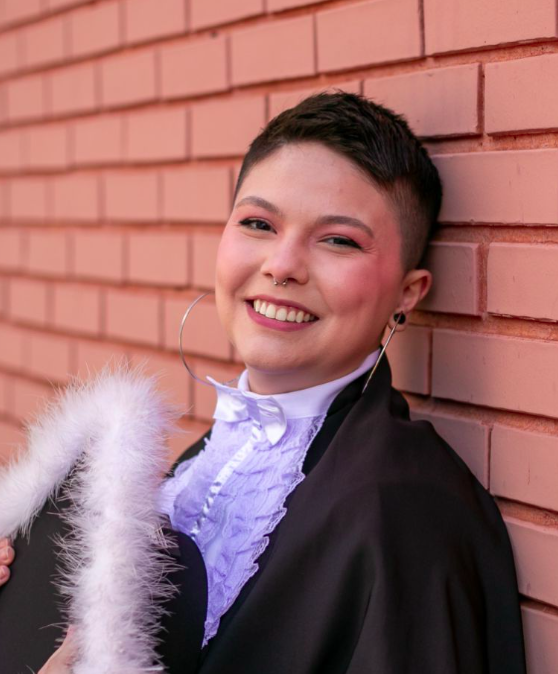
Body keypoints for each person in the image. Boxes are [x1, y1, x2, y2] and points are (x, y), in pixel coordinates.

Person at [2, 91, 527, 673]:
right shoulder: (208, 461)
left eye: (338, 240)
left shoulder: (407, 511)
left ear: (408, 292)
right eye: (258, 223)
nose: (282, 265)